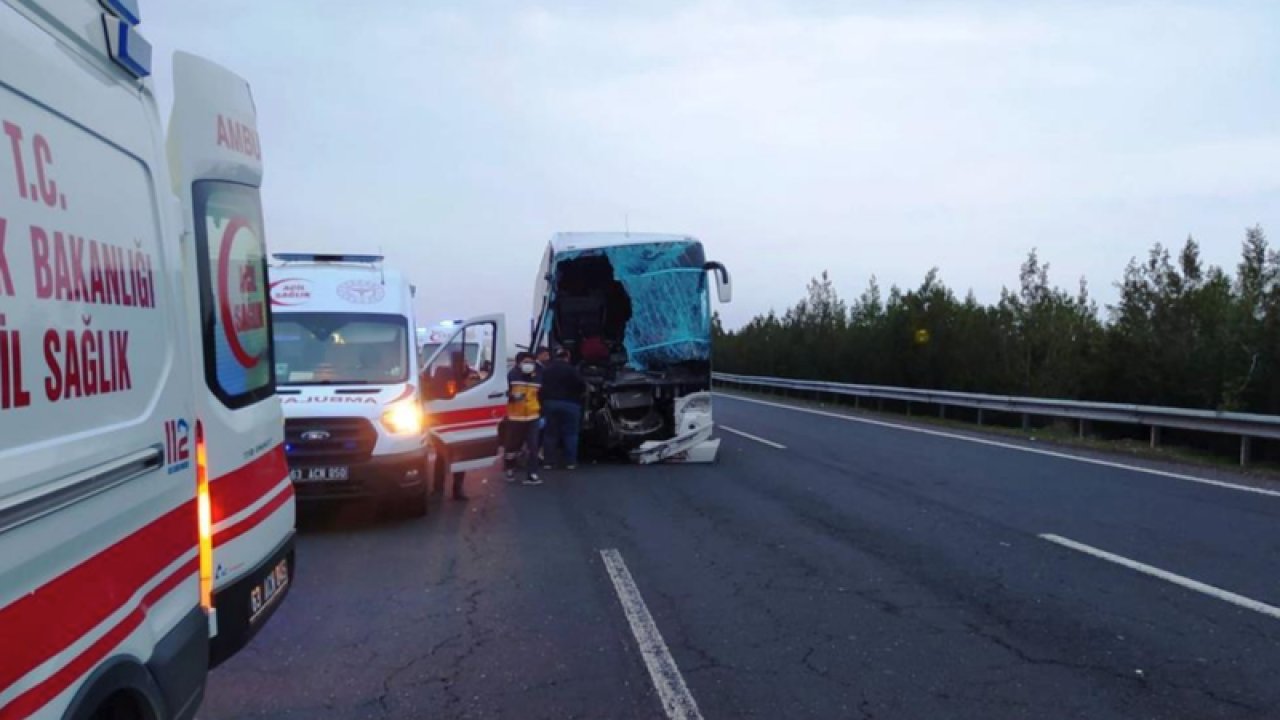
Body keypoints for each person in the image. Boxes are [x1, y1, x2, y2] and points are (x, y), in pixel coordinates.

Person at [540, 347, 586, 470]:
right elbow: (581, 385)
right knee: (571, 434)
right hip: (570, 404)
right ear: (567, 357)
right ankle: (570, 462)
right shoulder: (572, 370)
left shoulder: (547, 370)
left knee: (550, 434)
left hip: (550, 404)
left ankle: (548, 462)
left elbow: (540, 387)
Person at [503, 352, 542, 485]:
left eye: (531, 362)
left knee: (533, 447)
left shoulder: (537, 377)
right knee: (512, 446)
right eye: (526, 362)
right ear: (518, 363)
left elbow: (541, 395)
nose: (529, 365)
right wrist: (512, 396)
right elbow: (503, 393)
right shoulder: (511, 375)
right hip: (515, 417)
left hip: (533, 416)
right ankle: (509, 469)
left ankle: (532, 474)